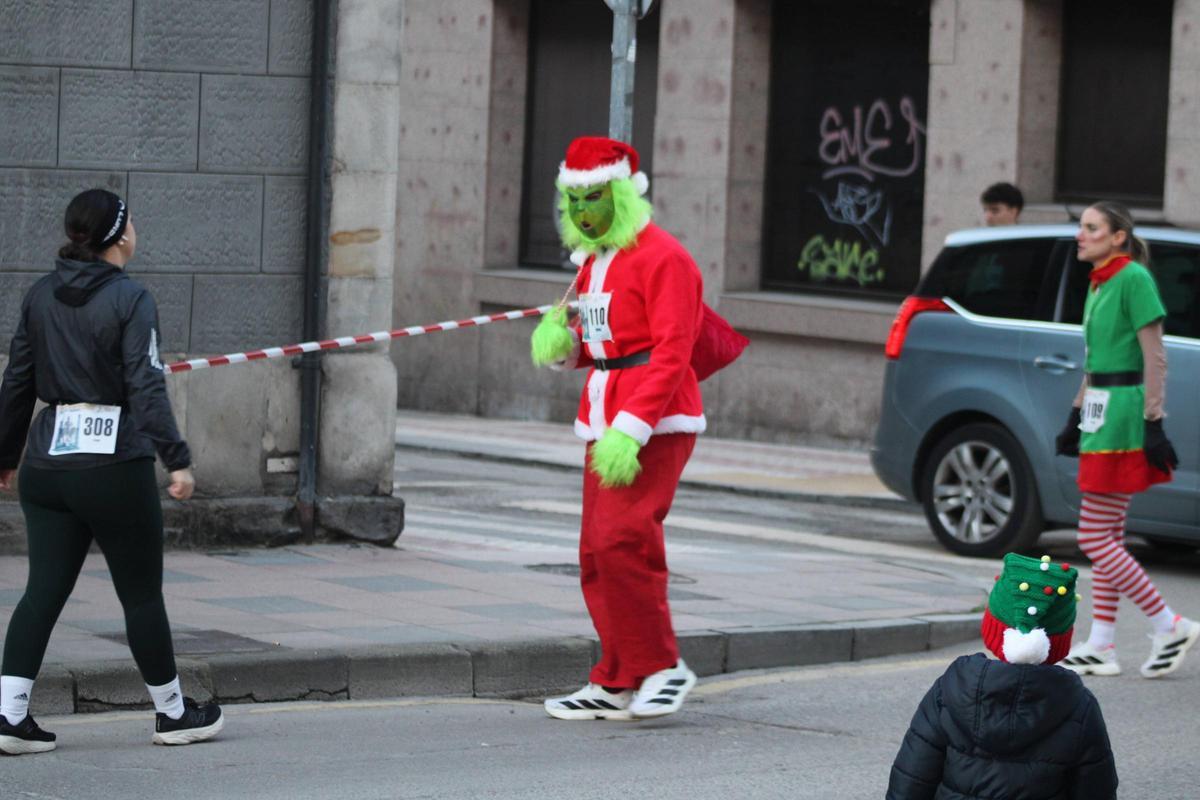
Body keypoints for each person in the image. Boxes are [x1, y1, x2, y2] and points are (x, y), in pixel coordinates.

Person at [0, 189, 223, 754]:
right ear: (120, 235)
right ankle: (174, 713)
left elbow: (17, 382)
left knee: (41, 592)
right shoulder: (131, 298)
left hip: (47, 464)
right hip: (113, 463)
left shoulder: (39, 295)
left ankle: (9, 716)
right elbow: (145, 384)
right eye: (133, 222)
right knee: (141, 595)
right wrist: (176, 457)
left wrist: (4, 457)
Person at [530, 136, 707, 720]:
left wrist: (633, 428)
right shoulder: (596, 261)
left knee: (623, 542)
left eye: (594, 197)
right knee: (595, 553)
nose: (583, 211)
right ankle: (615, 678)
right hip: (605, 416)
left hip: (651, 422)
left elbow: (673, 349)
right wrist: (567, 349)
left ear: (623, 193)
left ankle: (662, 666)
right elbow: (608, 343)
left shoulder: (665, 257)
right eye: (574, 199)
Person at [1053, 201, 1198, 679]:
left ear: (1118, 237)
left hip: (1123, 416)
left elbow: (1154, 357)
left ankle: (1168, 623)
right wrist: (1075, 415)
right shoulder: (1099, 283)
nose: (1081, 235)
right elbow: (1096, 362)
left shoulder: (1133, 278)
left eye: (1091, 228)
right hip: (1102, 412)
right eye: (1080, 227)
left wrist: (1153, 421)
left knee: (1093, 535)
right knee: (1109, 534)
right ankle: (1101, 644)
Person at [887, 552, 1118, 800]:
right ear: (1059, 643)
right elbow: (1096, 790)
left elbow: (912, 779)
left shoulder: (949, 690)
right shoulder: (1078, 706)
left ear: (993, 631)